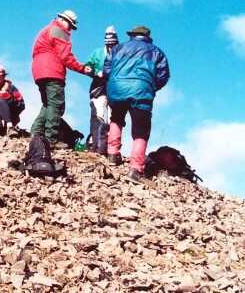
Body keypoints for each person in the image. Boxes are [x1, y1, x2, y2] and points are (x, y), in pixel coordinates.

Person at [103, 25, 170, 183]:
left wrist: (115, 81)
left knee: (116, 118)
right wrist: (151, 86)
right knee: (141, 129)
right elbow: (163, 75)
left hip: (116, 88)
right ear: (148, 36)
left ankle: (112, 154)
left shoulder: (118, 48)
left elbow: (106, 70)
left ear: (132, 35)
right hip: (141, 90)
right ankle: (136, 168)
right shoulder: (156, 52)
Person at [30, 10, 92, 147]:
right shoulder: (59, 31)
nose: (70, 29)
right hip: (53, 71)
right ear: (64, 20)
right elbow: (66, 57)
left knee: (48, 104)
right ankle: (51, 139)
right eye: (71, 25)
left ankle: (36, 133)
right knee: (56, 105)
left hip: (39, 71)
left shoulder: (46, 29)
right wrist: (82, 68)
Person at [85, 26, 119, 154]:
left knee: (114, 117)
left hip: (115, 88)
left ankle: (111, 147)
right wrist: (93, 71)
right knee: (98, 114)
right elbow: (87, 66)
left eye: (113, 44)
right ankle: (96, 143)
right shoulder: (97, 53)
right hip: (98, 87)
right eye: (108, 44)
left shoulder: (121, 53)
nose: (111, 47)